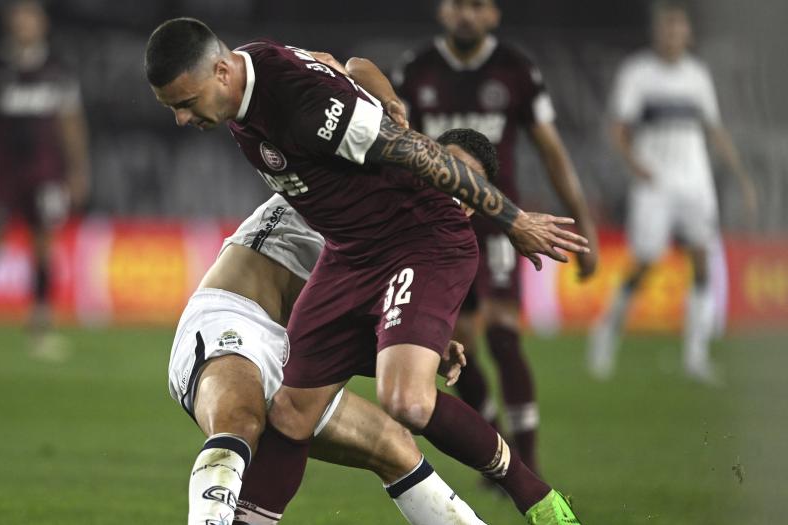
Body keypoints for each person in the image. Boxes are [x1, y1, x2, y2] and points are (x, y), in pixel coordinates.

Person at [145, 18, 587, 524]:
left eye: (184, 103)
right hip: (351, 253)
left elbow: (418, 152)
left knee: (405, 402)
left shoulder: (300, 104)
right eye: (172, 107)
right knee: (291, 412)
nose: (181, 119)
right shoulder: (254, 66)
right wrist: (388, 104)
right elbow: (348, 66)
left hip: (416, 239)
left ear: (221, 72)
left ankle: (540, 502)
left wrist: (512, 218)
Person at [170, 128, 495, 525]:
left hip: (297, 366)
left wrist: (419, 340)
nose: (449, 187)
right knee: (241, 418)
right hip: (238, 317)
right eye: (446, 169)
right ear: (423, 155)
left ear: (472, 207)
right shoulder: (362, 163)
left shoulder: (427, 248)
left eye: (464, 186)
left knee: (394, 445)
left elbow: (360, 328)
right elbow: (358, 71)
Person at [393, 0, 599, 474]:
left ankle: (527, 461)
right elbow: (395, 146)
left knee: (505, 336)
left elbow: (552, 150)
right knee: (458, 345)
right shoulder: (415, 71)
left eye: (478, 5)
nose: (467, 14)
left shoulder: (516, 70)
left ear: (493, 15)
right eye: (458, 5)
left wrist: (582, 223)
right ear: (442, 11)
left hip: (502, 224)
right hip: (439, 228)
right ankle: (493, 446)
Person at [589, 0, 757, 385]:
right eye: (667, 28)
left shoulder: (697, 76)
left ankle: (696, 356)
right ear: (657, 33)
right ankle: (607, 332)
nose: (673, 35)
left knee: (701, 258)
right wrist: (636, 166)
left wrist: (742, 178)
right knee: (645, 261)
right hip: (656, 183)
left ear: (688, 34)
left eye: (679, 29)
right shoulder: (638, 73)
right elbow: (618, 129)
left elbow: (714, 129)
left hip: (695, 181)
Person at [0, 0, 90, 361]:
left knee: (43, 245)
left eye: (31, 17)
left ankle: (40, 329)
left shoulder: (58, 68)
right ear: (11, 23)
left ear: (42, 24)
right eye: (19, 17)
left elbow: (71, 123)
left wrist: (78, 169)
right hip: (4, 173)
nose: (25, 24)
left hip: (44, 173)